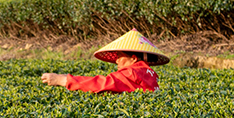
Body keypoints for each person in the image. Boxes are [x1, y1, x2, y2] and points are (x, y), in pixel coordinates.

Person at [41, 29, 169, 94]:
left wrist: (64, 80)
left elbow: (103, 84)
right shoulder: (148, 72)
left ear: (134, 58)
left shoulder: (133, 73)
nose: (116, 60)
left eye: (119, 56)